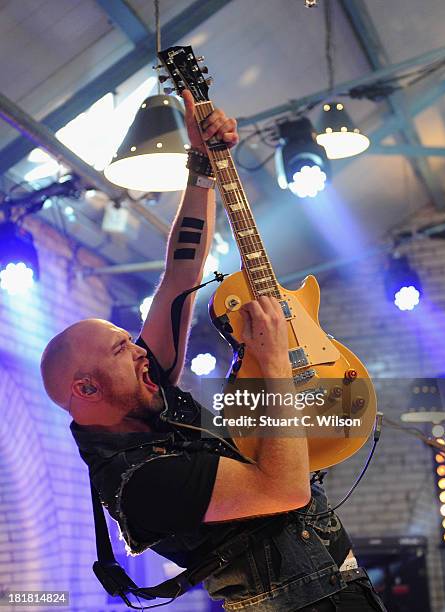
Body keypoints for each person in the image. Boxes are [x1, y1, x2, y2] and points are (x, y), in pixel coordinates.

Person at [40, 90, 387, 612]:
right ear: (86, 388)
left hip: (341, 589)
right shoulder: (140, 483)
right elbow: (285, 489)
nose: (140, 350)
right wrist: (271, 363)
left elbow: (182, 273)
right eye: (121, 349)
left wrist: (201, 163)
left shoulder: (142, 390)